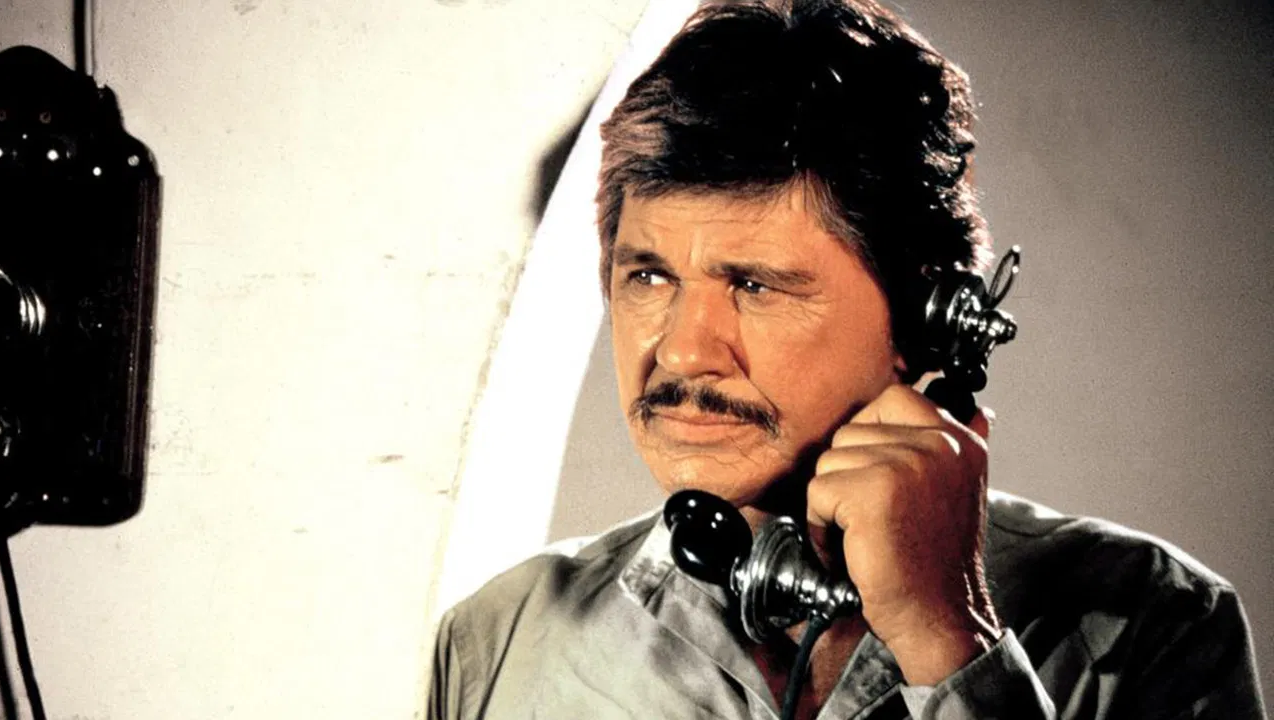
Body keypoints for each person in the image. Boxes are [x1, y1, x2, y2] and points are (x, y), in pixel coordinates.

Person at [427, 1, 1267, 717]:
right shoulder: (495, 643)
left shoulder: (1159, 621)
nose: (681, 349)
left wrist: (952, 641)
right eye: (648, 276)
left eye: (754, 285)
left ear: (924, 320)